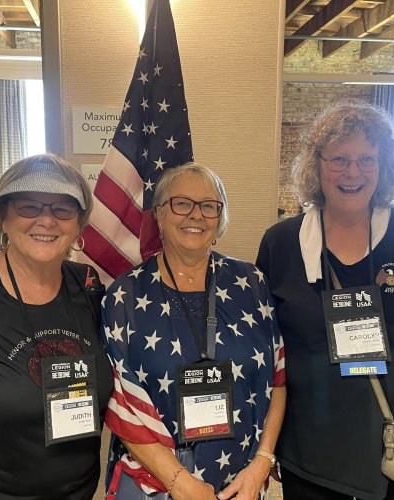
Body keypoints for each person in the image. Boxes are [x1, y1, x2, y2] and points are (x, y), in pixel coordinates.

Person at [256, 101, 394, 500]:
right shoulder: (281, 243)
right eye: (339, 159)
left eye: (367, 159)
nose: (353, 172)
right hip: (313, 458)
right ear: (316, 166)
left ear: (384, 166)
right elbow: (265, 349)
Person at [0, 153, 114, 499]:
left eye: (63, 209)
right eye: (29, 207)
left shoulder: (88, 287)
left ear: (79, 224)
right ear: (3, 215)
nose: (46, 220)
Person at [101, 163, 286, 499]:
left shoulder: (252, 284)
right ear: (159, 214)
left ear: (221, 216)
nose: (196, 215)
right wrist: (181, 485)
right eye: (181, 203)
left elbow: (278, 379)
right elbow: (122, 403)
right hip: (156, 484)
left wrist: (261, 463)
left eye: (209, 206)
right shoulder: (124, 295)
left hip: (240, 484)